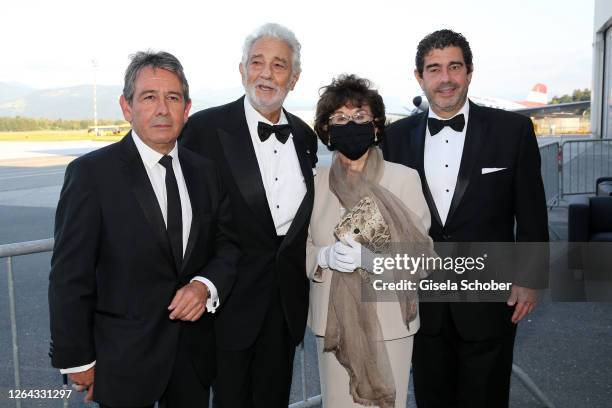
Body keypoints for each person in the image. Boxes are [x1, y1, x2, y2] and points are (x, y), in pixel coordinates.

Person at [48, 51, 239, 408]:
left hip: (192, 359)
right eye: (149, 97)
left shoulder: (206, 172)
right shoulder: (92, 174)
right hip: (121, 362)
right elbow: (69, 275)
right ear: (126, 106)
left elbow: (227, 246)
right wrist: (78, 360)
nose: (162, 109)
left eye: (173, 98)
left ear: (187, 108)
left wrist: (204, 285)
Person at [382, 29, 549, 407]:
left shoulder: (513, 131)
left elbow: (532, 212)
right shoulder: (395, 137)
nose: (445, 79)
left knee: (486, 397)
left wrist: (530, 277)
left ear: (469, 72)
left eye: (454, 67)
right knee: (431, 397)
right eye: (434, 69)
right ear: (419, 77)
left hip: (491, 297)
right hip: (422, 299)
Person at [180, 23, 318, 408]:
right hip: (225, 306)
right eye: (257, 62)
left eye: (279, 65)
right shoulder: (203, 130)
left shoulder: (305, 137)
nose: (266, 73)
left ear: (294, 77)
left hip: (285, 307)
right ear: (242, 70)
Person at [306, 74, 433, 407]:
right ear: (326, 130)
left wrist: (372, 262)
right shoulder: (315, 183)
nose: (351, 125)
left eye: (360, 117)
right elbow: (299, 248)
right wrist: (322, 258)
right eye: (340, 119)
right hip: (333, 326)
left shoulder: (403, 178)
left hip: (390, 323)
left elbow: (422, 258)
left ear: (377, 126)